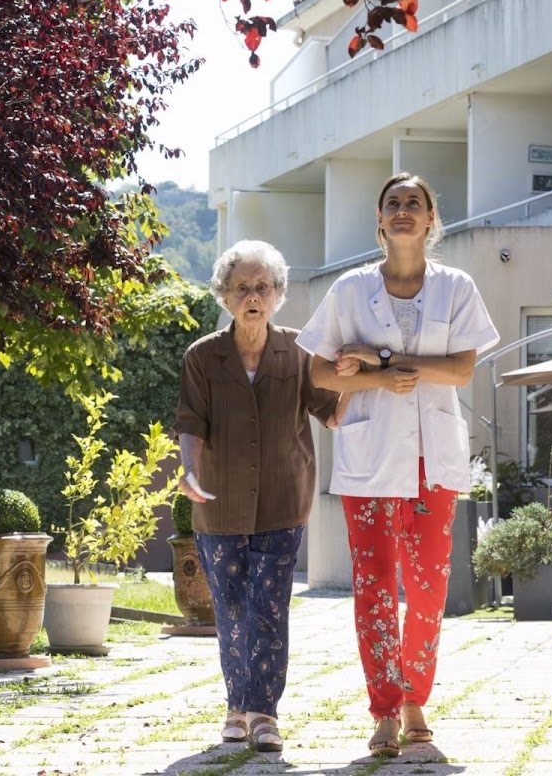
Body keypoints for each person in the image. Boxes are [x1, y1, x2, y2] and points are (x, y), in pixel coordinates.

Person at [295, 173, 499, 757]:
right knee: (375, 587)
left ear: (432, 220)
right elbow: (319, 373)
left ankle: (416, 698)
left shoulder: (456, 287)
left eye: (415, 203)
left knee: (430, 590)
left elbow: (460, 370)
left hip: (433, 461)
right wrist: (381, 378)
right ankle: (385, 707)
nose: (404, 211)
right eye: (393, 204)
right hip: (370, 457)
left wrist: (382, 357)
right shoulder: (349, 290)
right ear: (379, 222)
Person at [174, 239, 341, 752]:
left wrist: (362, 382)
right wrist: (189, 471)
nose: (253, 296)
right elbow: (191, 424)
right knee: (231, 609)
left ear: (277, 294)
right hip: (219, 503)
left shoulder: (299, 350)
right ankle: (236, 705)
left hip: (283, 499)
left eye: (262, 287)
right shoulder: (202, 356)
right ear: (224, 296)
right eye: (242, 287)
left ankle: (263, 714)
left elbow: (331, 411)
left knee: (268, 607)